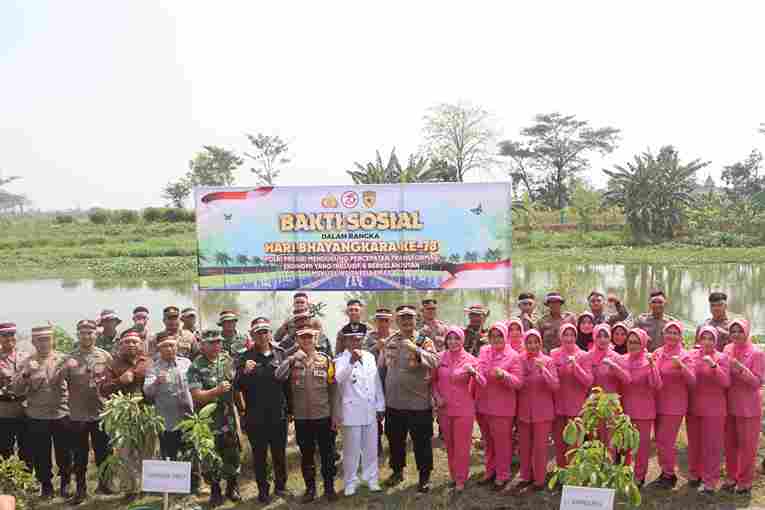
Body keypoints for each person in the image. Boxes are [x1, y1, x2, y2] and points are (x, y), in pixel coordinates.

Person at [379, 305, 439, 493]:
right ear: (397, 321)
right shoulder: (390, 340)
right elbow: (382, 368)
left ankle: (424, 477)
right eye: (402, 318)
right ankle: (397, 472)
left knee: (421, 442)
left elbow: (436, 361)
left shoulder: (424, 340)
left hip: (418, 402)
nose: (406, 321)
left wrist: (416, 349)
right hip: (394, 402)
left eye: (409, 318)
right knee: (395, 440)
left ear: (416, 320)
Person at [276, 327, 339, 502]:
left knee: (327, 454)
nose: (306, 341)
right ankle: (310, 489)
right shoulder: (293, 360)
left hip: (323, 416)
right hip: (302, 418)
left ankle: (329, 488)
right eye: (302, 338)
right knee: (307, 455)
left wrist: (335, 415)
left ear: (315, 339)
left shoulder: (325, 360)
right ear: (297, 340)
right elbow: (278, 376)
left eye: (309, 337)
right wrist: (290, 360)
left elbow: (333, 389)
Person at [233, 318, 290, 504]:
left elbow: (288, 385)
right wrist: (244, 372)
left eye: (266, 331)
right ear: (252, 335)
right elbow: (237, 386)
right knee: (259, 456)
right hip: (255, 415)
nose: (263, 335)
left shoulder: (280, 353)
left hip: (278, 413)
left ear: (271, 334)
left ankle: (281, 487)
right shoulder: (244, 357)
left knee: (279, 453)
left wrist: (291, 410)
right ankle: (263, 490)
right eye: (258, 332)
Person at [12, 326, 72, 500]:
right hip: (37, 415)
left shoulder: (63, 359)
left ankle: (66, 482)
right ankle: (46, 485)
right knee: (40, 453)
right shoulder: (27, 362)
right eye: (39, 339)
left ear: (53, 340)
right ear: (33, 342)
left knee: (64, 452)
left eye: (47, 339)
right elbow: (16, 390)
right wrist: (26, 374)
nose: (44, 343)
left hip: (61, 413)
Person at [61, 320, 113, 504]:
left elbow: (111, 382)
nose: (87, 336)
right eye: (83, 333)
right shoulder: (69, 358)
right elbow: (60, 383)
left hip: (100, 412)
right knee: (79, 454)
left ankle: (105, 484)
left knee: (104, 452)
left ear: (95, 334)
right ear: (78, 334)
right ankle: (81, 489)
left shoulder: (105, 356)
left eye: (90, 332)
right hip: (77, 414)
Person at [187, 330, 242, 507]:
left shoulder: (227, 360)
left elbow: (237, 386)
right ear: (203, 345)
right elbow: (197, 395)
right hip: (208, 421)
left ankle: (232, 488)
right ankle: (216, 491)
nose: (215, 346)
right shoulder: (196, 366)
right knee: (211, 457)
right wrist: (216, 391)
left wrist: (242, 408)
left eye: (218, 342)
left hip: (228, 419)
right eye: (211, 343)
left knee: (232, 454)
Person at [100, 329, 151, 501]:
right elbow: (104, 389)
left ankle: (147, 487)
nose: (131, 345)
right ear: (121, 345)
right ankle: (130, 489)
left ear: (141, 344)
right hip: (123, 415)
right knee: (125, 452)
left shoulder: (148, 361)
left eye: (134, 342)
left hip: (146, 414)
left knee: (147, 451)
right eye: (127, 342)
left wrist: (135, 374)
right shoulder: (113, 365)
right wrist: (119, 381)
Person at [335, 329, 385, 496]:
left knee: (371, 447)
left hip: (370, 409)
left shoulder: (370, 356)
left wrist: (380, 405)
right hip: (351, 410)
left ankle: (372, 479)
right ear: (346, 341)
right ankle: (350, 481)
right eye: (352, 339)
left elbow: (376, 381)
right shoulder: (341, 359)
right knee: (351, 449)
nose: (356, 342)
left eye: (359, 339)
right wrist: (351, 362)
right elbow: (339, 379)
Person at [432, 326, 481, 493]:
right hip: (445, 409)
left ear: (463, 340)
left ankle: (461, 478)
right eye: (450, 338)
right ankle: (454, 475)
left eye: (457, 339)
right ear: (446, 340)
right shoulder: (439, 358)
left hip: (464, 409)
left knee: (462, 445)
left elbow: (483, 383)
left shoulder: (471, 359)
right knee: (450, 445)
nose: (453, 342)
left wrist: (474, 373)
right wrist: (437, 397)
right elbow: (432, 381)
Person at [475, 322, 522, 491]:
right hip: (483, 405)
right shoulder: (483, 351)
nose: (495, 339)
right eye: (492, 336)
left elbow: (518, 383)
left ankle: (503, 474)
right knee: (488, 441)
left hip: (502, 408)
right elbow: (479, 368)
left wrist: (505, 375)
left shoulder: (513, 355)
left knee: (502, 443)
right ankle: (490, 471)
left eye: (499, 335)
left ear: (506, 336)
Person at [513, 329, 558, 494]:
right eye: (529, 342)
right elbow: (516, 383)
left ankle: (539, 479)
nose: (532, 345)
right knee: (524, 446)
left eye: (535, 342)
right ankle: (526, 476)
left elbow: (555, 385)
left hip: (543, 412)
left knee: (540, 447)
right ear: (524, 344)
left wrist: (543, 370)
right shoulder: (519, 360)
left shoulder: (548, 361)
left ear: (540, 343)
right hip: (524, 410)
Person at [651, 321, 695, 489]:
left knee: (665, 440)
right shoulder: (657, 352)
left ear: (680, 336)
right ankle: (665, 471)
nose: (671, 335)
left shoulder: (685, 355)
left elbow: (692, 381)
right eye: (668, 332)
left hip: (674, 405)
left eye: (675, 333)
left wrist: (682, 366)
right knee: (660, 441)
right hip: (657, 402)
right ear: (663, 334)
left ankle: (669, 474)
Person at [722, 319, 763, 495]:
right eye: (733, 331)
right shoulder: (727, 349)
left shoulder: (757, 353)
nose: (737, 334)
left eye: (740, 331)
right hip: (729, 404)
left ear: (747, 331)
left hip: (748, 407)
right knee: (730, 444)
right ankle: (731, 477)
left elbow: (757, 382)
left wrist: (740, 368)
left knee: (747, 446)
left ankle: (745, 481)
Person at [686, 326, 730, 494]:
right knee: (694, 443)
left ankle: (710, 481)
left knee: (712, 445)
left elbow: (726, 382)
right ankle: (695, 474)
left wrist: (713, 366)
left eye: (710, 338)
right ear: (698, 339)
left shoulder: (722, 357)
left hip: (714, 408)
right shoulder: (691, 355)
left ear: (716, 340)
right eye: (703, 338)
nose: (706, 341)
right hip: (694, 407)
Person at [620, 328, 662, 486]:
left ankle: (639, 476)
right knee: (625, 445)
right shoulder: (622, 359)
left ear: (644, 343)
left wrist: (652, 366)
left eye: (637, 342)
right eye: (630, 342)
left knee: (642, 446)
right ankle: (623, 473)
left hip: (644, 410)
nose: (633, 345)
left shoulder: (649, 360)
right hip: (625, 409)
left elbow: (657, 385)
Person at [142, 335, 194, 464]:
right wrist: (157, 382)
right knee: (170, 457)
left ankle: (193, 483)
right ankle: (171, 483)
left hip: (188, 417)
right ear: (159, 349)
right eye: (165, 346)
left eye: (172, 345)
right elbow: (147, 391)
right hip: (167, 420)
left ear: (177, 347)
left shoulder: (186, 363)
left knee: (190, 455)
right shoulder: (153, 367)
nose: (169, 349)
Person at [552, 323, 593, 468]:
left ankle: (573, 474)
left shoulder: (583, 355)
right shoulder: (553, 353)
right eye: (565, 334)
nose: (568, 338)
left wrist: (576, 366)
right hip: (558, 405)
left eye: (571, 335)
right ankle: (561, 472)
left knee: (574, 442)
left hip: (576, 406)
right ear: (560, 336)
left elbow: (588, 381)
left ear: (576, 337)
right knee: (559, 441)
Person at [587, 324, 630, 452]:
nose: (602, 339)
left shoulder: (616, 357)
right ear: (594, 337)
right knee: (593, 440)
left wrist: (614, 367)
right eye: (599, 336)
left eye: (606, 336)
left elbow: (627, 379)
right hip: (592, 404)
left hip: (611, 404)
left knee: (610, 440)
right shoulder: (587, 356)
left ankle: (610, 468)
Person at [0, 323, 30, 466]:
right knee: (5, 449)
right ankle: (8, 483)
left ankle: (27, 481)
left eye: (11, 334)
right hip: (4, 410)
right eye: (5, 335)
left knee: (27, 448)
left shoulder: (25, 357)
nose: (9, 338)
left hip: (24, 409)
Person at [364, 307, 393, 455]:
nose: (382, 324)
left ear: (391, 321)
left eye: (386, 320)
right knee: (374, 412)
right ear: (375, 322)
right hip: (373, 378)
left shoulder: (396, 335)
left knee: (392, 411)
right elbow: (362, 354)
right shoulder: (369, 336)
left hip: (392, 377)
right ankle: (376, 443)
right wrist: (377, 346)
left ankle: (393, 440)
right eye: (380, 320)